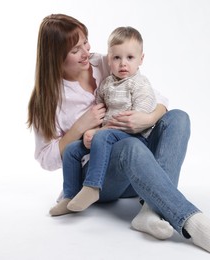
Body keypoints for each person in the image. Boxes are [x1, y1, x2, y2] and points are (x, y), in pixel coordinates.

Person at [27, 14, 210, 257]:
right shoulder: (47, 99)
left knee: (178, 118)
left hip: (134, 172)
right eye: (75, 49)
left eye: (85, 42)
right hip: (98, 178)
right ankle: (191, 222)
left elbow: (159, 99)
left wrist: (147, 119)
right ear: (55, 57)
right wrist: (79, 128)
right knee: (129, 148)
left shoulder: (104, 63)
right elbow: (45, 158)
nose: (86, 51)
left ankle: (150, 212)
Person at [59, 26, 157, 213]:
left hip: (133, 138)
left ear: (141, 59)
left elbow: (136, 121)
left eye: (130, 58)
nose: (123, 64)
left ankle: (92, 187)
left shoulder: (139, 83)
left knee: (102, 137)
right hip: (106, 136)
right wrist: (90, 132)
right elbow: (100, 111)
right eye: (116, 58)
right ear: (108, 59)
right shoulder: (106, 84)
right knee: (71, 149)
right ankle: (69, 195)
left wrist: (99, 132)